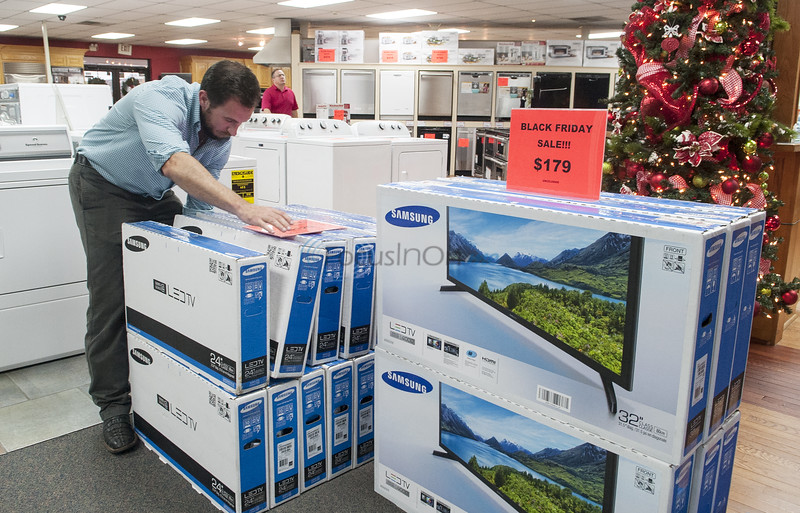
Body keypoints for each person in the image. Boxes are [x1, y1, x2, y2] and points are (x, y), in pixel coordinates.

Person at [68, 59, 292, 454]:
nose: (233, 131)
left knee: (184, 271)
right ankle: (114, 408)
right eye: (228, 120)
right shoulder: (159, 97)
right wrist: (244, 209)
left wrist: (216, 255)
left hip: (154, 194)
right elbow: (174, 162)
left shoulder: (219, 137)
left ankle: (168, 377)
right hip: (105, 185)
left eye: (242, 123)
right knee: (112, 296)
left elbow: (199, 208)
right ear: (203, 98)